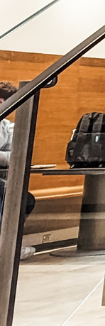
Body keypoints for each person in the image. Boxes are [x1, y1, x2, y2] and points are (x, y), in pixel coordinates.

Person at [0, 80, 36, 262]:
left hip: (3, 177)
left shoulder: (6, 125)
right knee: (3, 193)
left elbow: (17, 153)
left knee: (25, 199)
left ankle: (10, 243)